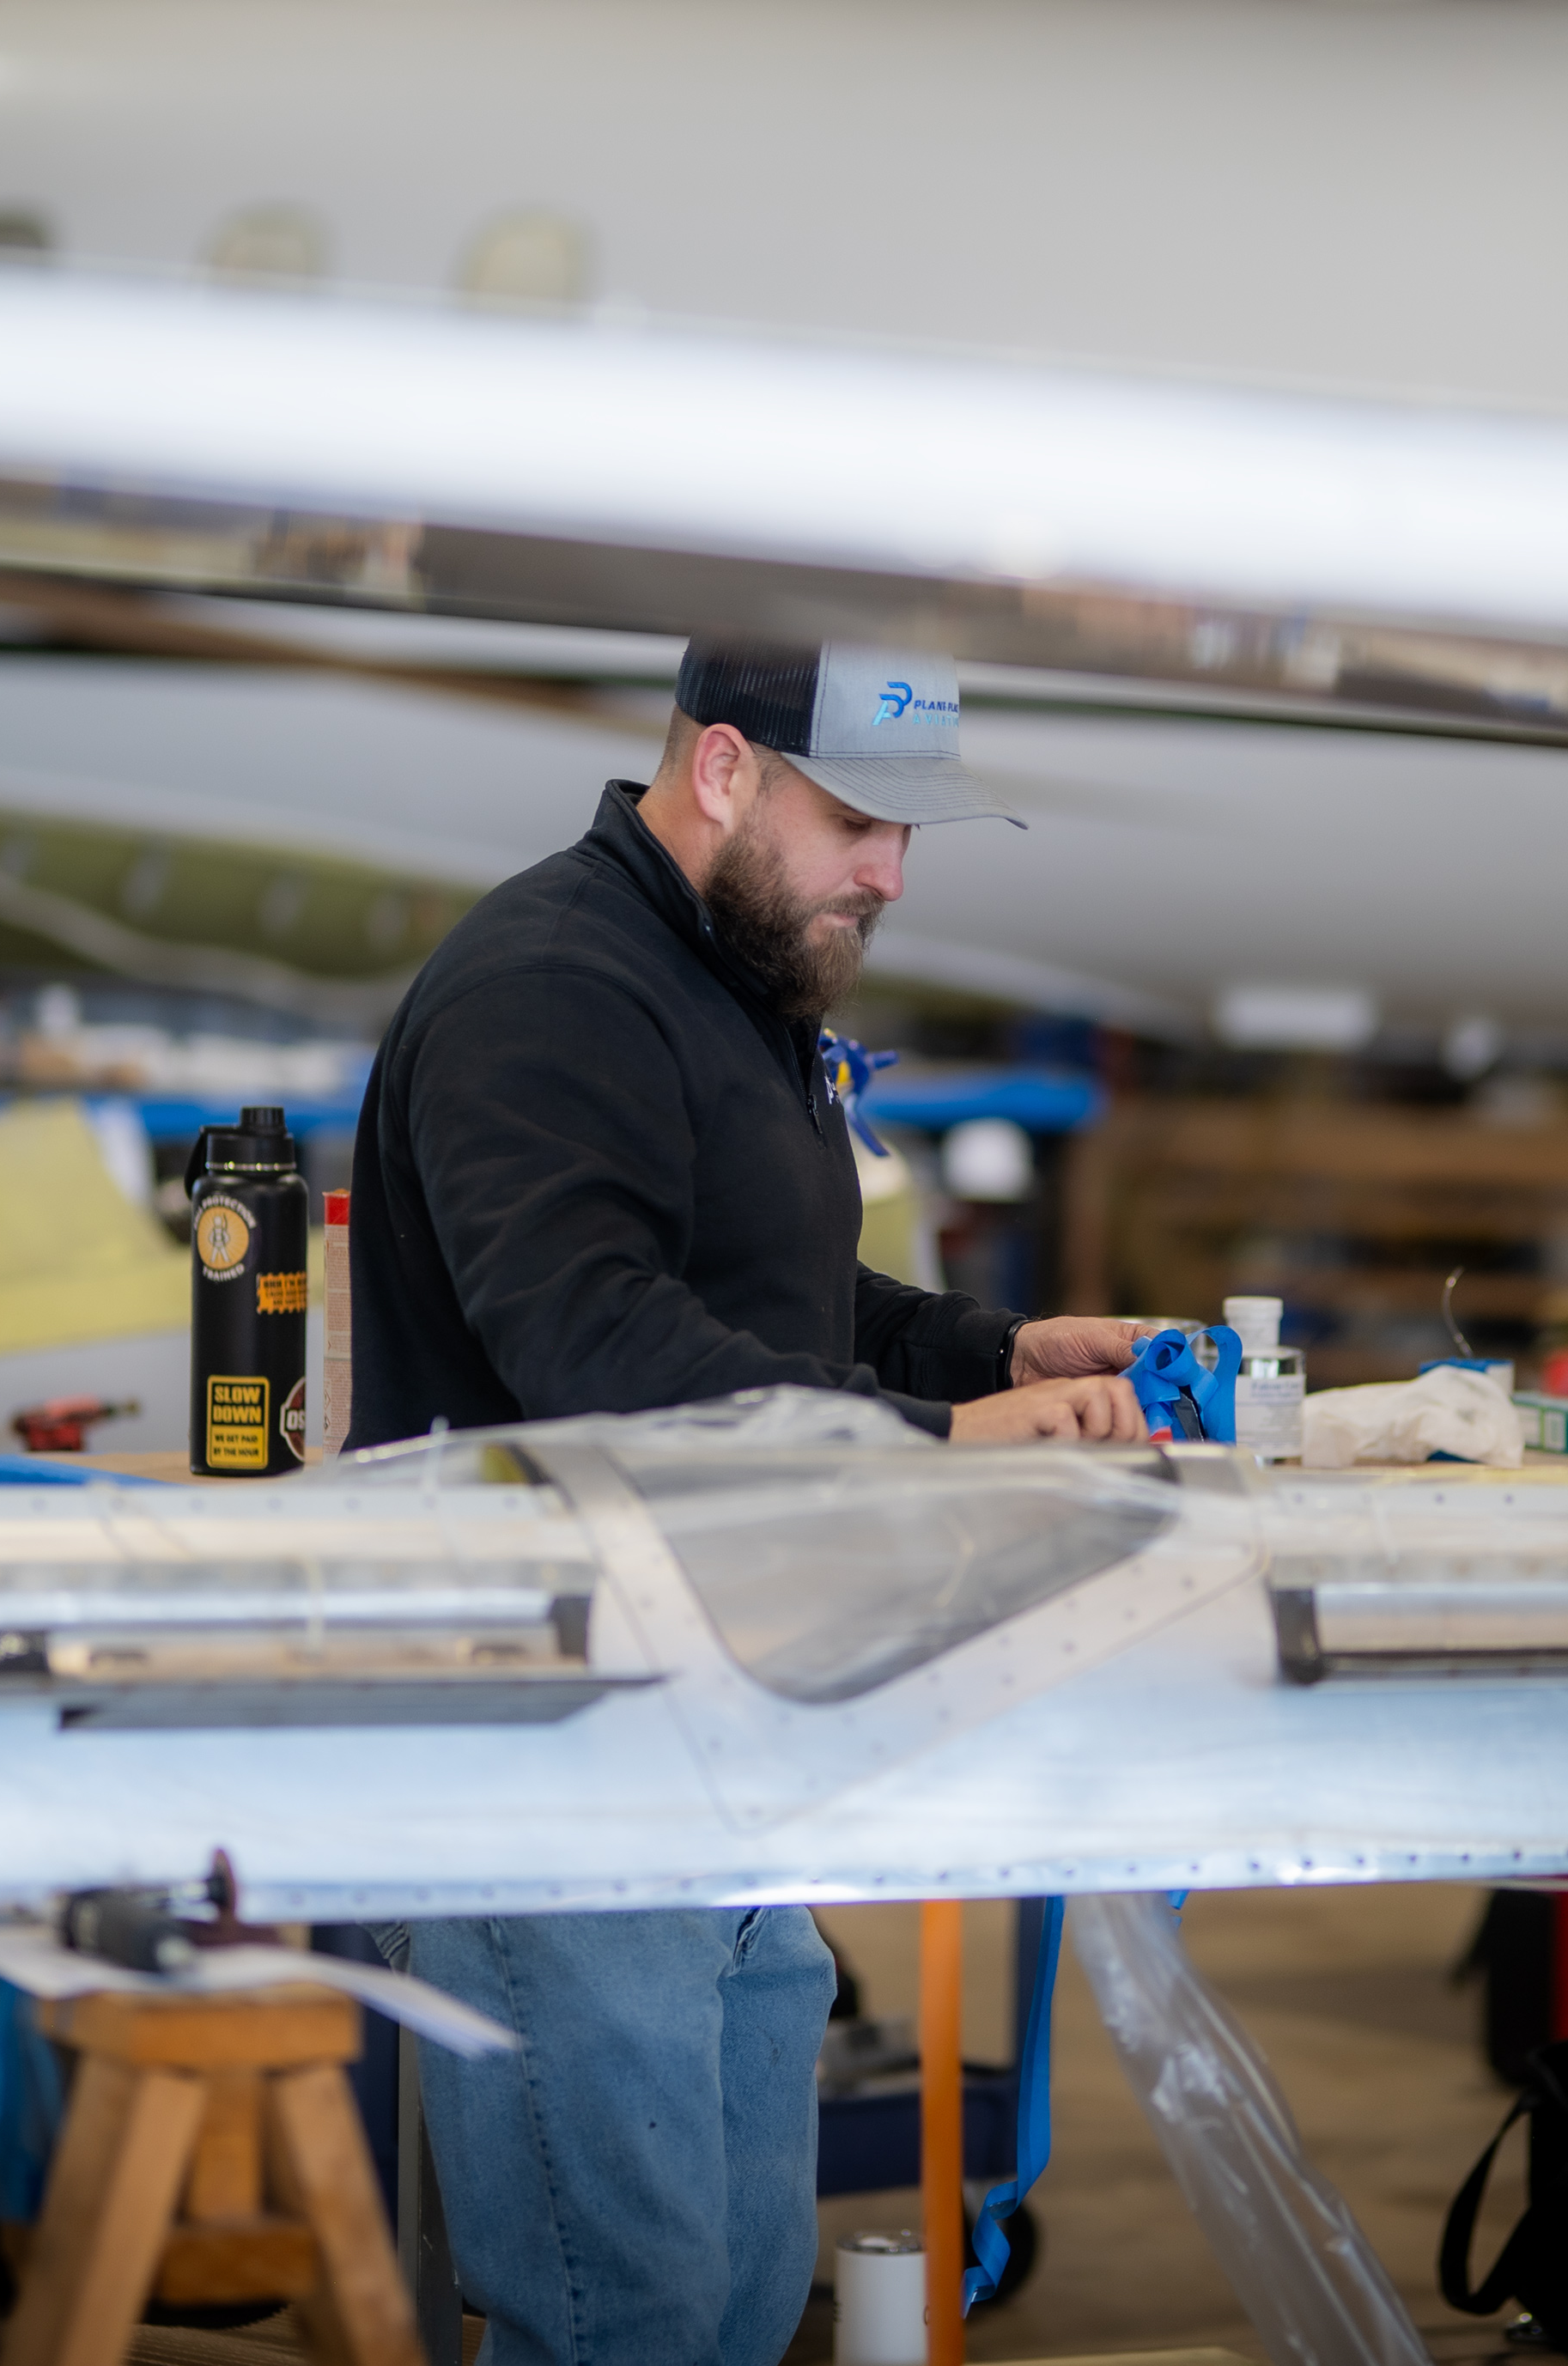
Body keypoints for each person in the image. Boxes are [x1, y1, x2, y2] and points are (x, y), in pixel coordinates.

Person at [346, 636, 1152, 2366]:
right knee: (617, 2313)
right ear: (721, 769)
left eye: (911, 833)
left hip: (713, 1729)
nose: (889, 869)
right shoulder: (550, 986)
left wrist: (1005, 1345)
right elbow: (597, 1340)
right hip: (552, 1752)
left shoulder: (734, 978)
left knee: (722, 2297)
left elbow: (788, 1308)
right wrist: (936, 1447)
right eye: (858, 818)